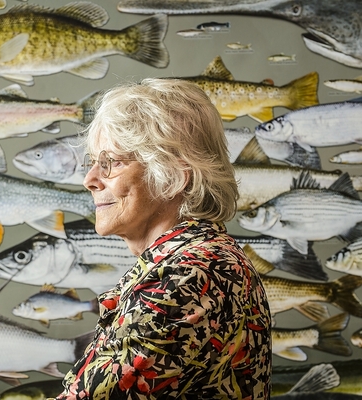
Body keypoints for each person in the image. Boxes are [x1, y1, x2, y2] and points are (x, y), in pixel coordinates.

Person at [53, 79, 272, 400]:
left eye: (109, 163)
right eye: (92, 163)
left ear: (171, 176)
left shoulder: (189, 274)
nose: (89, 180)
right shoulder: (202, 257)